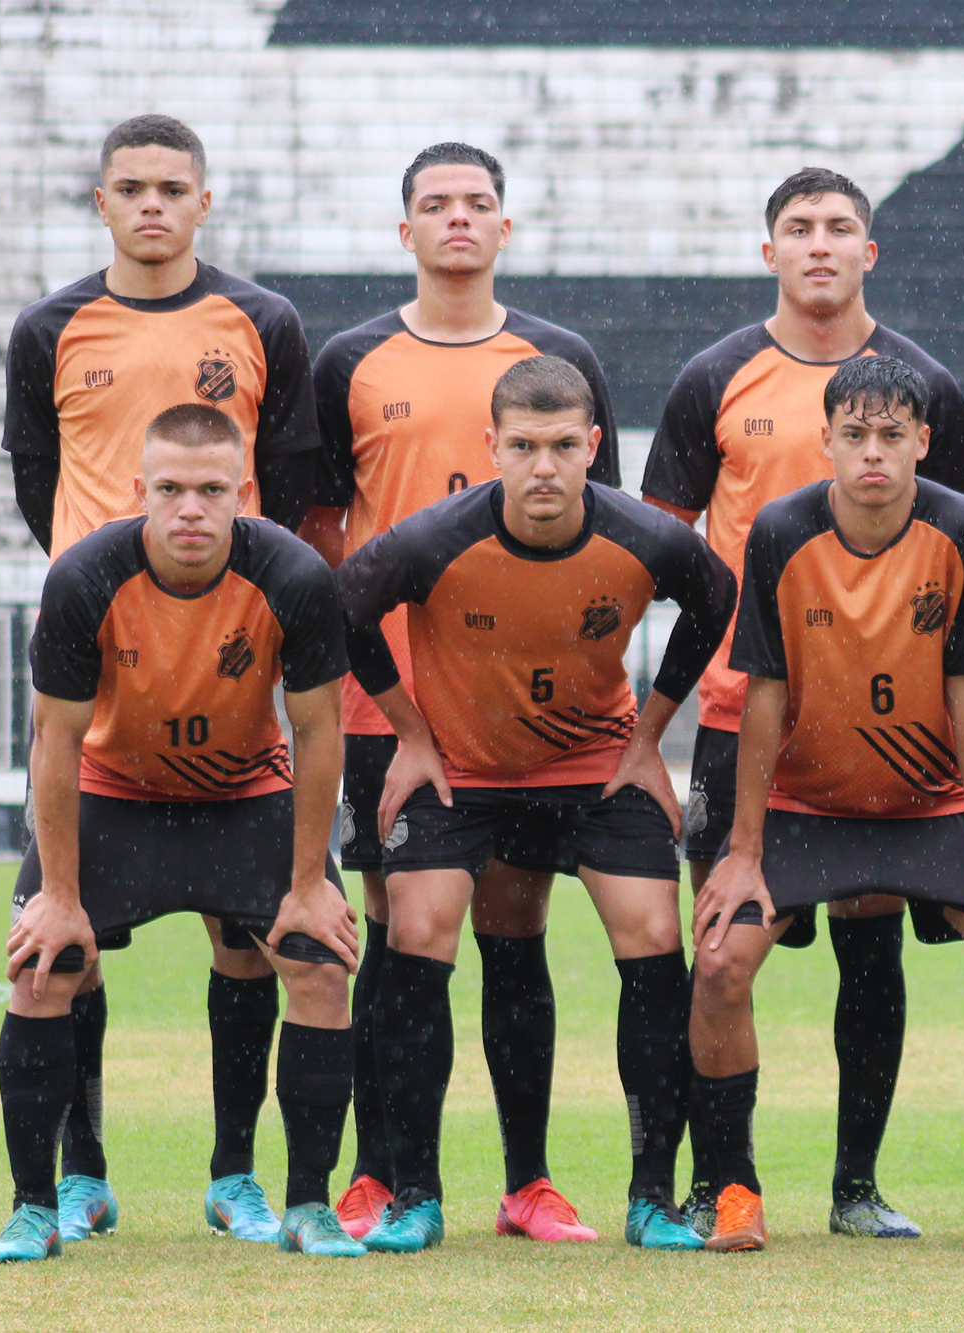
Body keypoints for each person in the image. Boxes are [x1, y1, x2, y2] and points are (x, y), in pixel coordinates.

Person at [0, 113, 325, 1245]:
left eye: (170, 187)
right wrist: (103, 590)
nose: (151, 204)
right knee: (62, 941)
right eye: (129, 186)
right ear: (101, 201)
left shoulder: (262, 320)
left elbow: (284, 477)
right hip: (103, 658)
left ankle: (235, 1173)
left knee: (248, 939)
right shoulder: (49, 327)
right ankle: (80, 1172)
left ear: (202, 200)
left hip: (227, 652)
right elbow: (39, 486)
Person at [335, 356, 735, 1254]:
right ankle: (417, 1193)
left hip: (593, 766)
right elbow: (344, 610)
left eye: (562, 446)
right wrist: (409, 732)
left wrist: (649, 739)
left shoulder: (644, 537)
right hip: (463, 774)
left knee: (653, 934)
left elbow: (717, 601)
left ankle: (645, 1195)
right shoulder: (431, 538)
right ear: (493, 448)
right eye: (523, 445)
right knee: (419, 926)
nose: (544, 466)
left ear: (594, 446)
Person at [298, 141, 623, 1243]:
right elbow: (318, 535)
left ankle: (526, 1180)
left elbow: (601, 533)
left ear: (504, 226)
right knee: (398, 927)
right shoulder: (350, 358)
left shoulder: (558, 355)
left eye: (477, 203)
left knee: (513, 919)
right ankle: (386, 1174)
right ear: (406, 231)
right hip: (387, 704)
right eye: (434, 205)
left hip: (516, 711)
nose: (457, 220)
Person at [642, 166, 964, 1239]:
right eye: (798, 227)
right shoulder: (714, 378)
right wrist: (667, 705)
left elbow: (962, 547)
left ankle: (855, 1185)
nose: (819, 244)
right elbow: (661, 549)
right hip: (747, 720)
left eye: (839, 228)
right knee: (722, 944)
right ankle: (715, 1180)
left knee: (866, 948)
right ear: (768, 249)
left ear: (868, 252)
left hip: (880, 734)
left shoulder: (922, 384)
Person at [688, 356, 964, 1254]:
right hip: (806, 810)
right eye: (856, 434)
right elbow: (762, 693)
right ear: (827, 441)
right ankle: (733, 1188)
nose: (874, 453)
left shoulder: (960, 524)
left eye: (893, 435)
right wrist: (743, 847)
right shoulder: (780, 528)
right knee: (721, 964)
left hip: (925, 810)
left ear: (924, 441)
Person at [0, 404, 359, 1262]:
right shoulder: (83, 577)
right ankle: (45, 1201)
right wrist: (60, 897)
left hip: (242, 794)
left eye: (210, 490)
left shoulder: (295, 577)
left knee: (319, 963)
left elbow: (317, 734)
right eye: (171, 489)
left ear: (243, 492)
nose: (190, 508)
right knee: (48, 966)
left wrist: (307, 885)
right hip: (113, 793)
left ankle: (289, 1198)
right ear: (139, 490)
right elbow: (55, 740)